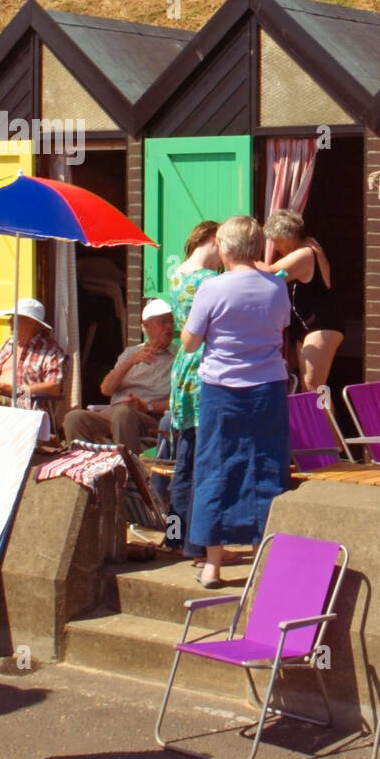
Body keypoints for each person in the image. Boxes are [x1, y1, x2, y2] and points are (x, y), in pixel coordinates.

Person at [180, 216, 290, 589]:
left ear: (225, 249)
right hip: (268, 387)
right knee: (267, 465)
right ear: (257, 247)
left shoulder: (211, 290)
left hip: (221, 390)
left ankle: (212, 566)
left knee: (215, 467)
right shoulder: (277, 288)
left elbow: (190, 343)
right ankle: (264, 557)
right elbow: (279, 329)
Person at [167, 221, 220, 561]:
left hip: (182, 371)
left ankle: (175, 536)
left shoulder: (176, 275)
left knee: (184, 460)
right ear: (213, 240)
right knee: (205, 461)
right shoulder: (210, 281)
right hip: (205, 371)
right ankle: (198, 544)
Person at [63, 299, 176, 453]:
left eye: (170, 321)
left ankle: (128, 473)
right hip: (114, 413)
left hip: (150, 418)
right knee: (74, 418)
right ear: (146, 326)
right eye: (162, 322)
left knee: (123, 414)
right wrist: (131, 361)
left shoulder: (178, 358)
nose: (169, 326)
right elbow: (106, 389)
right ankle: (84, 469)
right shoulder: (129, 354)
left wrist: (146, 406)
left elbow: (182, 403)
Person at [256, 209, 344, 392]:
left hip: (321, 325)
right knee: (311, 387)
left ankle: (325, 420)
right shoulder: (310, 247)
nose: (276, 246)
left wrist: (244, 259)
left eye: (276, 241)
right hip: (307, 326)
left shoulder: (305, 253)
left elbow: (269, 274)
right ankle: (321, 419)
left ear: (287, 237)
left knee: (315, 388)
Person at [0, 298, 65, 409]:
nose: (9, 321)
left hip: (21, 404)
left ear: (31, 322)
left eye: (14, 318)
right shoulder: (8, 345)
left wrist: (15, 391)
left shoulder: (50, 350)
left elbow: (54, 387)